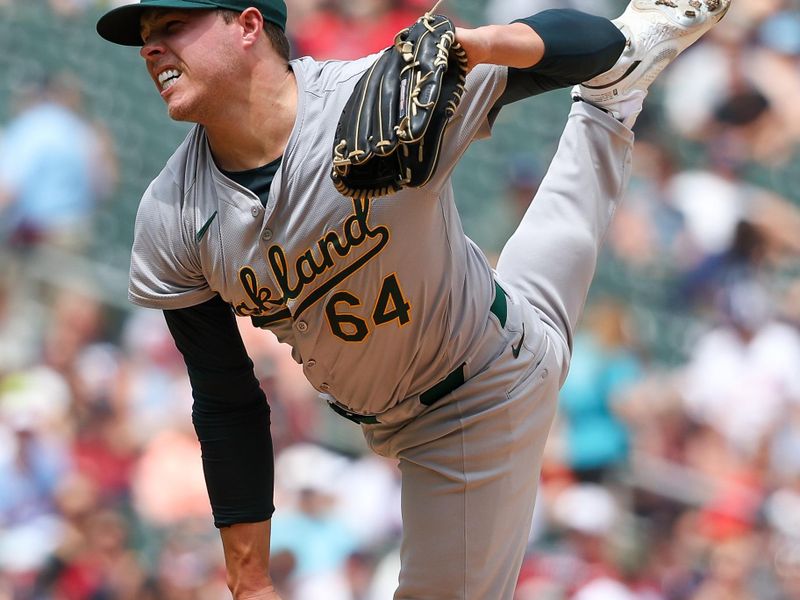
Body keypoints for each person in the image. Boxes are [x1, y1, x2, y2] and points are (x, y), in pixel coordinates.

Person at [95, 0, 730, 598]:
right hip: (485, 317)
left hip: (469, 401)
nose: (151, 47)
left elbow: (592, 44)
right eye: (145, 37)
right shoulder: (173, 214)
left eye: (172, 25)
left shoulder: (371, 97)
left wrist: (474, 46)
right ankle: (611, 105)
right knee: (555, 253)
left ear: (249, 25)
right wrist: (250, 578)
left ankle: (621, 83)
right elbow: (224, 397)